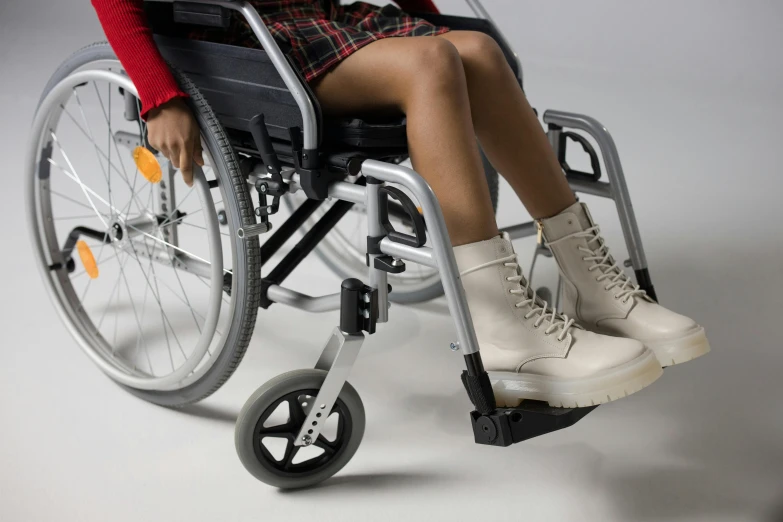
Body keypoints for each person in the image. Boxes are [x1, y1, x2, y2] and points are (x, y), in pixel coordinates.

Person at [91, 0, 709, 408]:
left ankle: (593, 287)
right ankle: (500, 329)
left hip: (312, 15)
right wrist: (159, 93)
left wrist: (430, 16)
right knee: (433, 61)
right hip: (239, 39)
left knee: (477, 53)